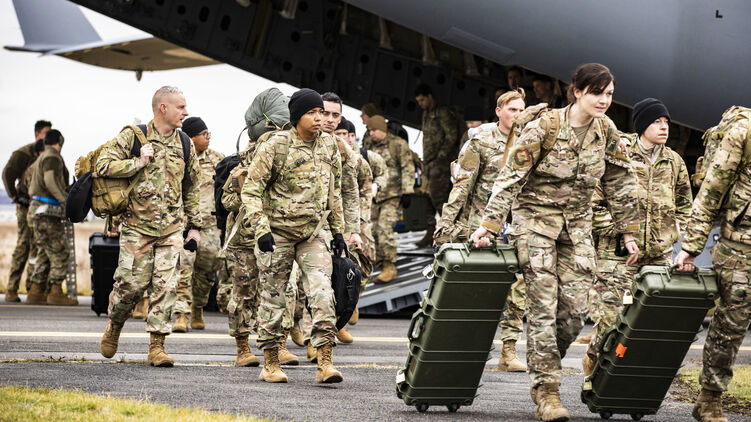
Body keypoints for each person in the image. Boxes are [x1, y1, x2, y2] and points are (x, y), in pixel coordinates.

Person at [470, 63, 640, 421]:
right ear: (577, 91)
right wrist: (489, 224)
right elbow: (510, 177)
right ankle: (547, 393)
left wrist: (628, 231)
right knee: (543, 310)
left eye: (609, 94)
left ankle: (543, 365)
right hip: (535, 226)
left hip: (577, 230)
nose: (604, 100)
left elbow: (620, 181)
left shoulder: (606, 131)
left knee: (574, 314)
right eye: (597, 93)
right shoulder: (545, 127)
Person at [241, 88, 345, 384]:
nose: (319, 118)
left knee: (323, 292)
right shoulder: (276, 145)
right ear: (297, 116)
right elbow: (251, 190)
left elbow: (334, 190)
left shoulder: (329, 145)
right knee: (273, 299)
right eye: (312, 113)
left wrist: (338, 231)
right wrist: (261, 229)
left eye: (321, 112)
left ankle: (325, 362)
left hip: (313, 233)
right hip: (278, 234)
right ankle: (271, 363)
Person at [582, 98, 692, 375]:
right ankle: (594, 361)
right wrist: (622, 231)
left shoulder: (674, 161)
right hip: (617, 256)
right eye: (656, 121)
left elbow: (684, 205)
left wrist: (672, 233)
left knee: (650, 320)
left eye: (666, 122)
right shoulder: (618, 154)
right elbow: (592, 203)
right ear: (642, 125)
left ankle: (629, 378)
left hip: (658, 256)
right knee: (611, 319)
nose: (664, 127)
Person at [98, 86, 202, 367]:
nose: (186, 112)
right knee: (130, 286)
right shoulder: (133, 136)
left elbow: (192, 186)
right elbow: (103, 165)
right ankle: (115, 325)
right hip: (136, 227)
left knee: (166, 287)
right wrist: (137, 162)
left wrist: (194, 226)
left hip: (171, 229)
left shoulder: (185, 143)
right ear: (163, 108)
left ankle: (157, 346)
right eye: (181, 107)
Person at [435, 89, 528, 372]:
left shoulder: (529, 141)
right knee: (475, 290)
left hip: (517, 227)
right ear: (499, 111)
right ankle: (461, 348)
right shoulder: (481, 141)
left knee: (518, 289)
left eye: (521, 110)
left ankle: (509, 351)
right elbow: (462, 186)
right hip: (481, 227)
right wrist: (446, 225)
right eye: (512, 109)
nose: (517, 115)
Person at [675, 107, 751, 422]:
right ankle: (710, 398)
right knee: (731, 325)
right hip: (739, 246)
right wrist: (691, 247)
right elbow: (711, 191)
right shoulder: (743, 133)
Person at [222, 87, 292, 367]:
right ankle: (242, 348)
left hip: (276, 234)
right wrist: (244, 192)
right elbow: (226, 200)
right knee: (244, 292)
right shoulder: (246, 158)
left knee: (279, 292)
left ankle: (278, 345)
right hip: (245, 238)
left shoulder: (288, 153)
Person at [172, 117, 225, 332]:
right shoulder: (178, 158)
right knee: (183, 268)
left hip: (210, 226)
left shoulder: (217, 159)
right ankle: (181, 314)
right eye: (204, 134)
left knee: (208, 269)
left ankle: (198, 307)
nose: (208, 137)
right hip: (185, 223)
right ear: (191, 138)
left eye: (208, 133)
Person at [26, 129, 76, 306]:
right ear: (59, 141)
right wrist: (65, 201)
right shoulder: (52, 157)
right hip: (46, 213)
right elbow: (50, 182)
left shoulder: (42, 157)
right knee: (61, 251)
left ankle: (36, 291)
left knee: (45, 252)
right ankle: (55, 292)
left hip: (38, 211)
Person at [3, 120, 50, 302]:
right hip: (25, 206)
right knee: (23, 245)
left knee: (37, 247)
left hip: (40, 207)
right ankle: (11, 289)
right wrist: (14, 196)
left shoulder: (47, 153)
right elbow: (7, 174)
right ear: (37, 134)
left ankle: (32, 288)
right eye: (46, 133)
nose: (48, 137)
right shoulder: (24, 153)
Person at [368, 115, 415, 283]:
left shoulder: (398, 144)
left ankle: (389, 265)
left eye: (374, 130)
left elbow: (407, 168)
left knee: (384, 228)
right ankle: (379, 261)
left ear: (383, 129)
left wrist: (407, 192)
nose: (371, 133)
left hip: (393, 195)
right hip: (375, 195)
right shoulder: (369, 145)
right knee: (372, 229)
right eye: (369, 130)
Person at [415, 83, 463, 245]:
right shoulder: (426, 114)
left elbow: (452, 136)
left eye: (422, 100)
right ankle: (431, 232)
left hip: (440, 163)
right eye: (418, 101)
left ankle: (451, 231)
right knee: (427, 197)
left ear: (430, 97)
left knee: (439, 197)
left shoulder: (442, 112)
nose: (420, 104)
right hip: (429, 161)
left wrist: (441, 156)